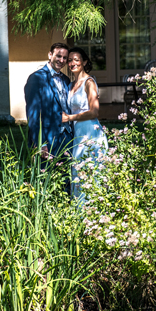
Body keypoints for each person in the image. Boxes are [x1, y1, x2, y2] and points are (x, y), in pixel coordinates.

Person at [61, 47, 108, 199]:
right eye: (70, 60)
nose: (72, 63)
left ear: (84, 62)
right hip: (78, 134)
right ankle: (80, 216)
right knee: (78, 173)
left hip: (90, 132)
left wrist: (70, 118)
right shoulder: (71, 85)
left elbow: (94, 111)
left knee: (91, 173)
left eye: (76, 59)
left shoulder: (89, 83)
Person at [24, 43, 73, 159]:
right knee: (48, 175)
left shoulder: (66, 79)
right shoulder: (36, 78)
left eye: (65, 58)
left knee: (66, 175)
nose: (61, 60)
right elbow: (33, 114)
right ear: (50, 55)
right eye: (58, 56)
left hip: (67, 137)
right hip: (48, 139)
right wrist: (40, 143)